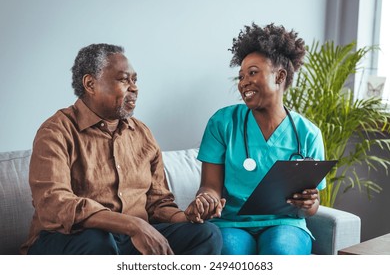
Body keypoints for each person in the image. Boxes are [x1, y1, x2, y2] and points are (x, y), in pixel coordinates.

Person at [20, 43, 222, 255]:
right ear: (90, 84)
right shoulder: (56, 132)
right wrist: (132, 225)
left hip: (130, 240)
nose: (134, 87)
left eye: (135, 80)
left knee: (207, 234)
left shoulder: (142, 134)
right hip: (68, 240)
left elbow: (158, 204)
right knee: (97, 239)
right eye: (124, 79)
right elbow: (54, 204)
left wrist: (186, 216)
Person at [184, 23, 326, 255]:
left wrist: (309, 204)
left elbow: (310, 207)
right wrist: (206, 200)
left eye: (252, 72)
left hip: (285, 223)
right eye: (240, 76)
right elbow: (210, 186)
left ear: (280, 76)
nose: (243, 82)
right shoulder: (222, 123)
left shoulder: (308, 134)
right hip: (231, 223)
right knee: (230, 253)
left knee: (282, 251)